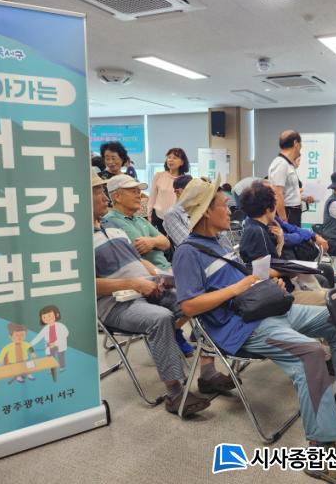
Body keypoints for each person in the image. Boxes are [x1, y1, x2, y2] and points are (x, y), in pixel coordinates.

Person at [172, 177, 336, 484]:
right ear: (206, 212)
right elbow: (189, 306)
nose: (229, 210)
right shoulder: (187, 253)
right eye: (223, 205)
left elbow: (243, 280)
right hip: (241, 329)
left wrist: (263, 286)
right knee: (311, 354)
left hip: (264, 312)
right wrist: (238, 288)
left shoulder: (219, 242)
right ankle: (321, 452)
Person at [91, 172, 232, 416]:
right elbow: (87, 286)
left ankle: (207, 372)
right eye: (97, 193)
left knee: (199, 299)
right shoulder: (79, 240)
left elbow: (139, 260)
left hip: (146, 288)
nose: (104, 198)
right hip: (116, 304)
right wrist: (134, 283)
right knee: (160, 319)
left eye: (103, 192)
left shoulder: (113, 227)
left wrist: (160, 276)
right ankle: (175, 393)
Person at [105, 174, 194, 356]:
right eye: (133, 191)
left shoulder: (140, 219)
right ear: (117, 196)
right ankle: (172, 333)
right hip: (147, 276)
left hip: (165, 270)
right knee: (193, 297)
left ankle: (173, 331)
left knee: (203, 291)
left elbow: (166, 242)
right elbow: (132, 252)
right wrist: (156, 247)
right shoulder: (110, 221)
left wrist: (151, 242)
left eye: (138, 191)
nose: (139, 195)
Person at [238, 181, 328, 306]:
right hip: (281, 295)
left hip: (284, 289)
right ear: (269, 208)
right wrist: (291, 270)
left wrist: (280, 243)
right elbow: (261, 273)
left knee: (333, 295)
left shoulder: (260, 228)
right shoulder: (256, 231)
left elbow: (272, 261)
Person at [268, 130, 314, 226]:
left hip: (292, 212)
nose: (301, 148)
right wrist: (284, 220)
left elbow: (287, 193)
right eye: (300, 144)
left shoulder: (288, 164)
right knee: (290, 236)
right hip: (288, 213)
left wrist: (303, 198)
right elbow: (277, 193)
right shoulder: (281, 163)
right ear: (296, 143)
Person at [148, 148, 190, 236]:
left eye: (175, 158)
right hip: (158, 217)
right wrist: (149, 215)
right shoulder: (159, 175)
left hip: (175, 219)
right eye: (169, 157)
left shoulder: (186, 180)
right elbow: (152, 198)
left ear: (182, 162)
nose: (170, 160)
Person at [30, 305, 69, 371]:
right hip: (50, 346)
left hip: (60, 345)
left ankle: (62, 367)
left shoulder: (61, 326)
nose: (47, 318)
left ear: (57, 315)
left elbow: (66, 334)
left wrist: (55, 343)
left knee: (60, 356)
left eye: (49, 315)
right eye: (44, 317)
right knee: (50, 358)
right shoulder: (45, 328)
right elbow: (38, 337)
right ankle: (52, 369)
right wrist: (30, 344)